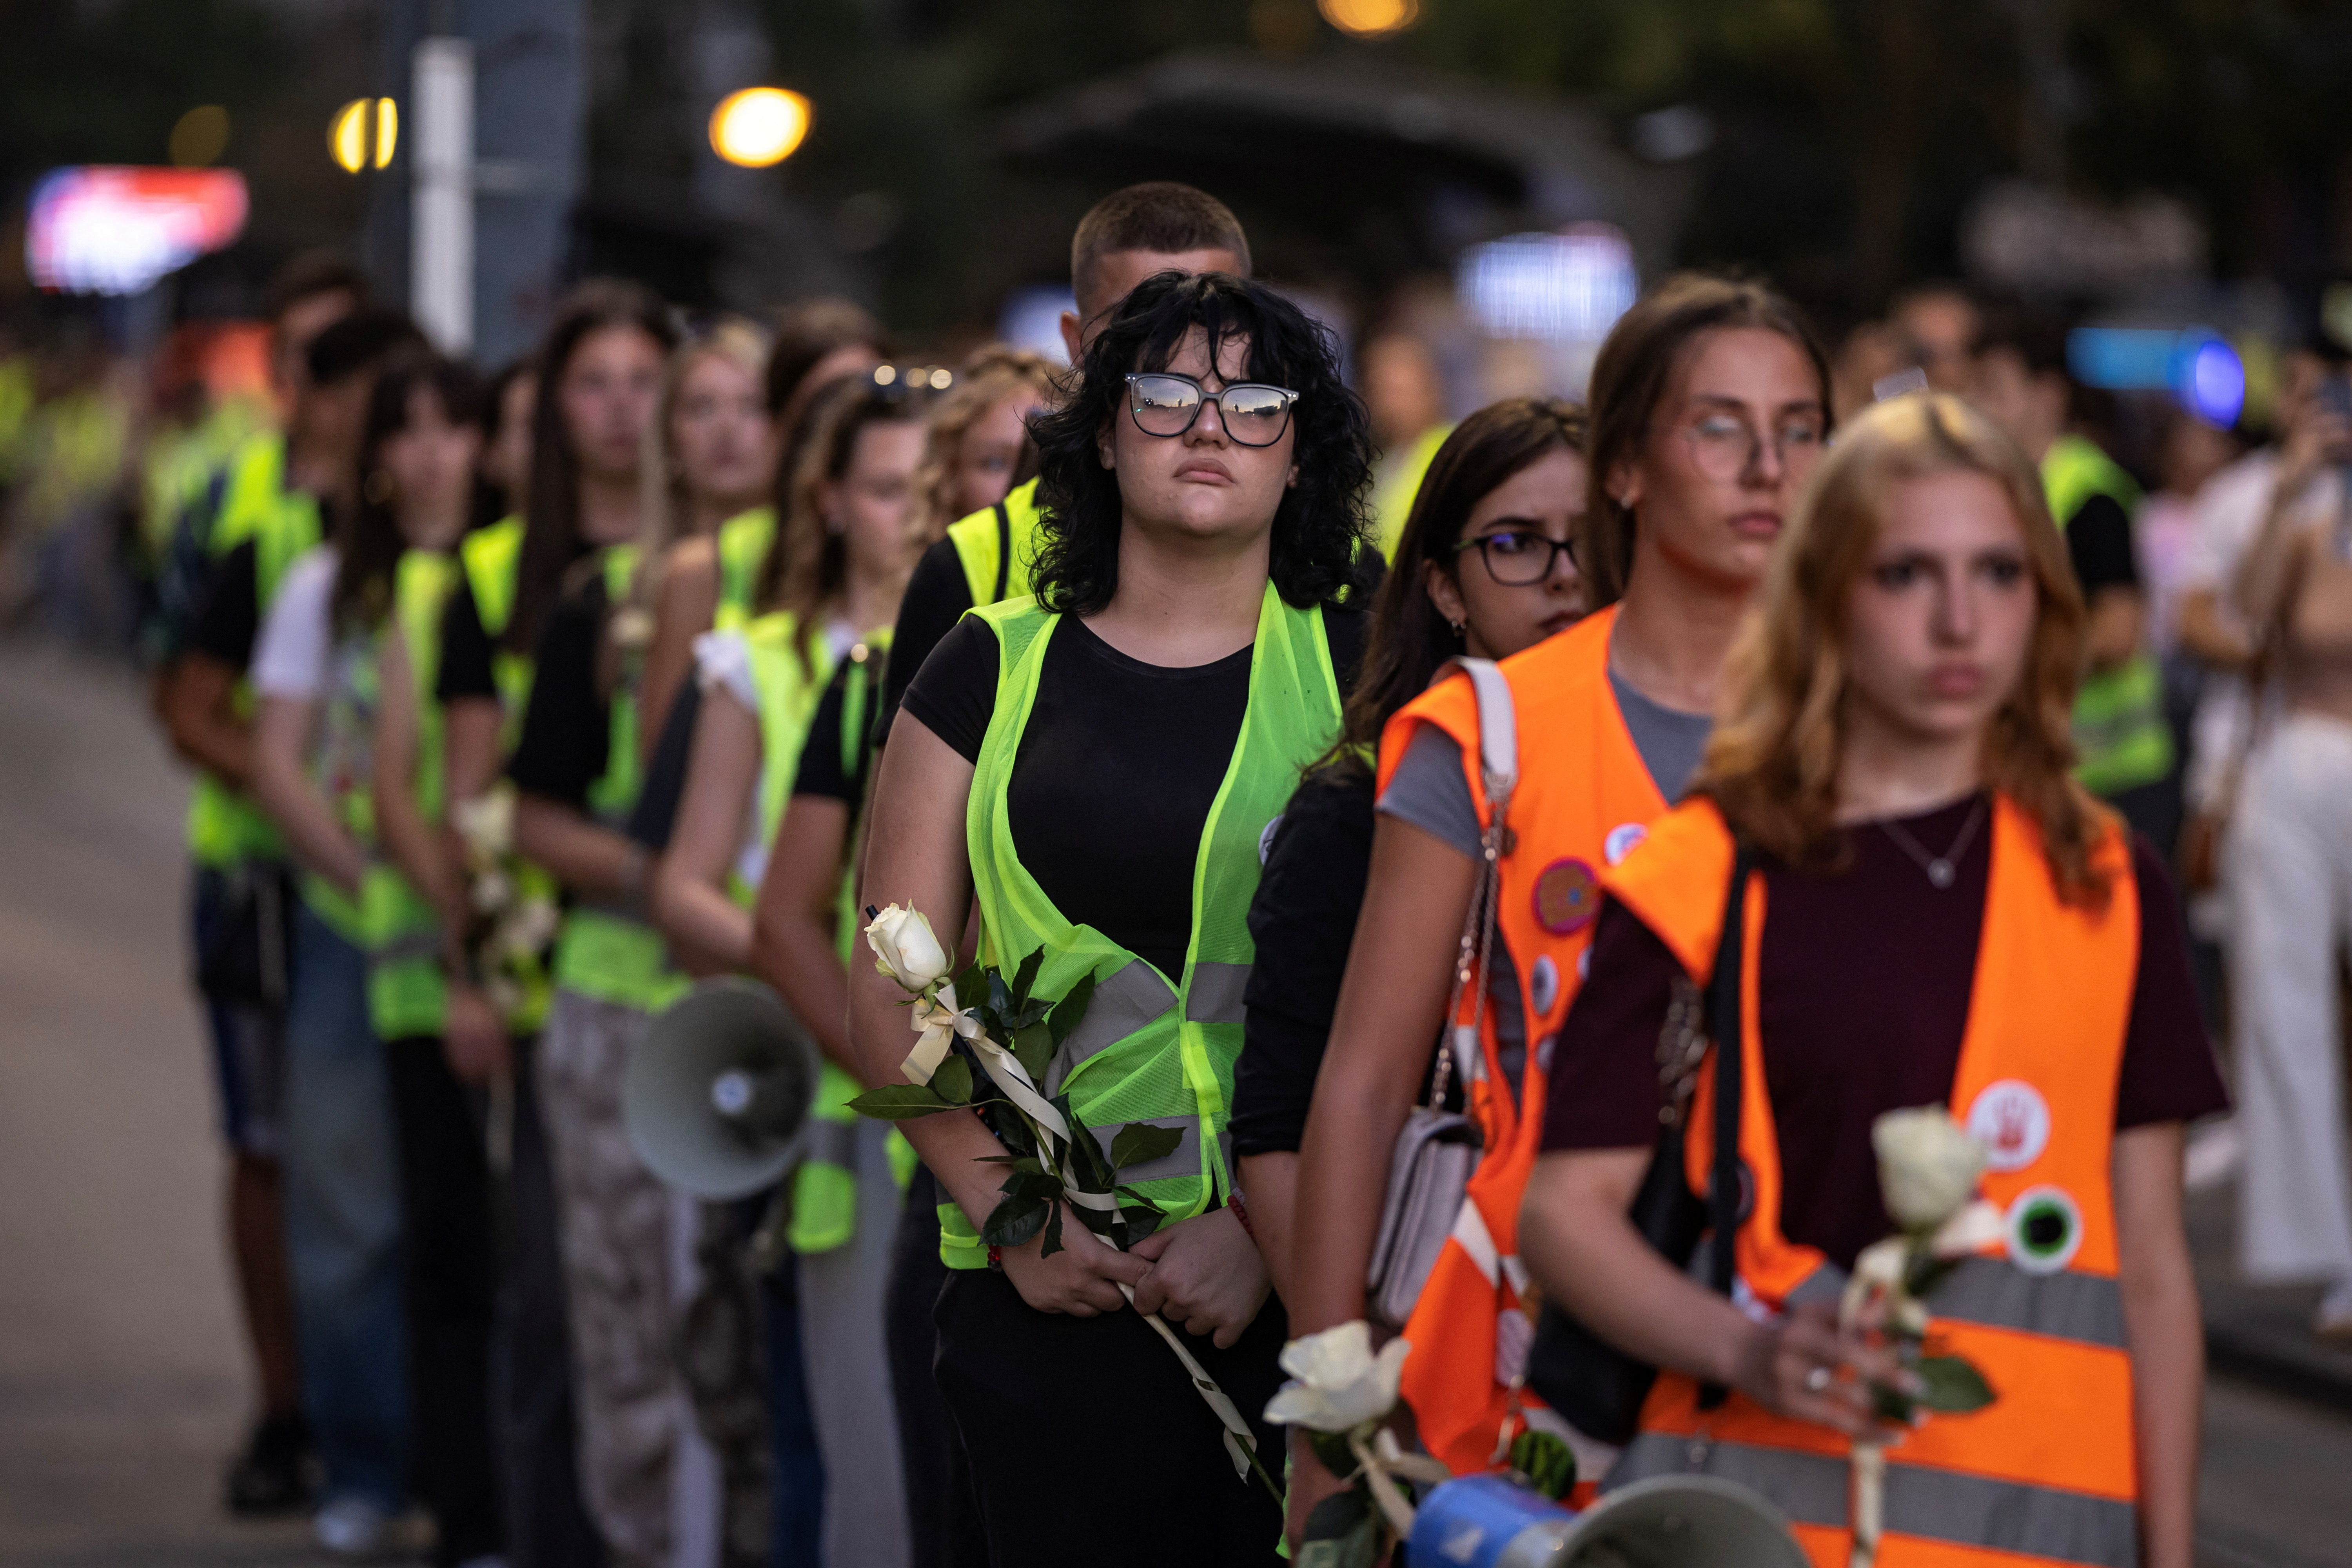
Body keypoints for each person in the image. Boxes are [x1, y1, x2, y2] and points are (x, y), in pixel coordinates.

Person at [1521, 391, 2222, 1568]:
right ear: (1825, 600)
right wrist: (1740, 1349)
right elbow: (1561, 1215)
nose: (1959, 621)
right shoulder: (1705, 869)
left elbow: (2149, 1271)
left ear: (2039, 602)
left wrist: (2172, 1551)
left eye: (1996, 572)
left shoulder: (2106, 879)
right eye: (1905, 575)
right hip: (1769, 1519)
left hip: (2051, 1528)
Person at [1283, 275, 1832, 1524]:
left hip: (1806, 1356)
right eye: (1718, 427)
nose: (1764, 468)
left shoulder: (1874, 727)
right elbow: (1361, 1085)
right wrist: (1326, 1403)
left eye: (1799, 430)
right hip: (1522, 1373)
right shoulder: (1487, 729)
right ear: (1625, 470)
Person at [855, 271, 1377, 1566]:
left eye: (1257, 398)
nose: (1212, 424)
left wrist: (1266, 1232)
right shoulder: (986, 660)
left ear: (1302, 448)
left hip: (1311, 1282)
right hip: (1050, 1288)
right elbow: (887, 989)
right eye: (1168, 393)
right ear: (1099, 429)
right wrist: (1018, 1222)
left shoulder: (1366, 657)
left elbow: (1421, 996)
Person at [654, 373, 935, 1568]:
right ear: (828, 503)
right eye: (885, 489)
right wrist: (828, 979)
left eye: (933, 487)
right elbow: (684, 888)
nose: (914, 515)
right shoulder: (762, 660)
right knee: (833, 1432)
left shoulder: (985, 652)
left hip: (905, 1077)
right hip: (818, 1078)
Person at [1233, 396, 1590, 1307]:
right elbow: (1281, 1130)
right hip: (1423, 1329)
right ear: (1444, 587)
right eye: (1515, 542)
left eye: (1595, 540)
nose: (1565, 576)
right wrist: (1341, 1382)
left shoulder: (1693, 789)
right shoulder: (1355, 817)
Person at [502, 280, 717, 1568]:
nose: (644, 418)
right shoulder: (605, 600)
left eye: (669, 388)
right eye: (698, 410)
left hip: (760, 1009)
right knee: (622, 1337)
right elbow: (530, 818)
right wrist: (675, 885)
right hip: (622, 1005)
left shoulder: (828, 600)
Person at [151, 250, 365, 1516]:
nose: (330, 387)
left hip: (375, 886)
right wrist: (292, 771)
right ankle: (287, 1408)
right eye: (308, 360)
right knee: (270, 1148)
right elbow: (180, 701)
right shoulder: (241, 500)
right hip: (259, 885)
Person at [243, 306, 432, 1557]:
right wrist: (370, 877)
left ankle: (463, 1465)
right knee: (348, 1216)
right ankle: (365, 1466)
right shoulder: (326, 583)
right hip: (348, 935)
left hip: (482, 948)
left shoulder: (494, 583)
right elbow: (280, 755)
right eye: (400, 434)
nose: (426, 458)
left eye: (444, 431)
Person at [877, 182, 1253, 735]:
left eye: (1214, 322)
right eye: (1136, 326)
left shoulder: (1332, 563)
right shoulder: (976, 559)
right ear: (1075, 341)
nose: (1178, 357)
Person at [2225, 346, 2352, 1338]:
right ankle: (2326, 1248)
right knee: (2283, 1007)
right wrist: (2290, 489)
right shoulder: (2298, 505)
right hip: (2296, 756)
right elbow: (2249, 614)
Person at [1971, 309, 2178, 849]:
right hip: (2040, 767)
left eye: (1994, 389)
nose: (1978, 407)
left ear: (2048, 395)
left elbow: (2118, 631)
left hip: (2112, 774)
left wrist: (2007, 667)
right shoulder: (1999, 490)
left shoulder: (2088, 492)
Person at [628, 318, 779, 756]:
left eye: (752, 406)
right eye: (700, 408)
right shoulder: (613, 586)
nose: (726, 428)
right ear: (668, 437)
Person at [1361, 331, 1454, 558]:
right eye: (1380, 388)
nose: (1389, 403)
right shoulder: (1381, 464)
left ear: (1431, 387)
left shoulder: (1453, 451)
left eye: (1400, 390)